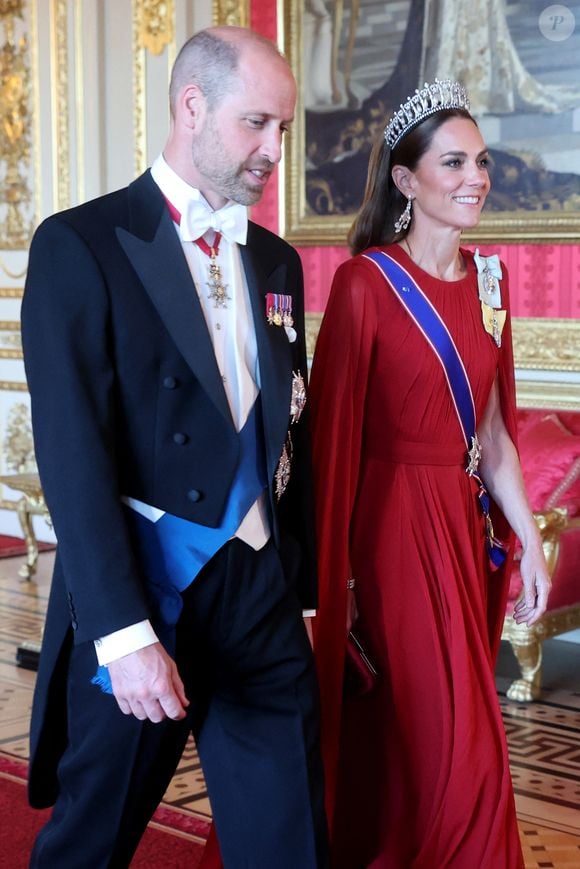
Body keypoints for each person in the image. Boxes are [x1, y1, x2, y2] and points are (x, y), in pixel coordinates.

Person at [22, 26, 328, 869]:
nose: (274, 149)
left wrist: (294, 588)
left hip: (258, 595)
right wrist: (122, 633)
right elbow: (73, 454)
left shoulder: (275, 261)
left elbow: (288, 426)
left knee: (291, 840)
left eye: (284, 131)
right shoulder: (80, 244)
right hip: (148, 591)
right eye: (256, 124)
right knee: (92, 842)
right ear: (191, 106)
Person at [309, 79, 551, 867]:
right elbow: (332, 438)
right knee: (442, 734)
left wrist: (533, 542)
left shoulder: (492, 282)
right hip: (386, 534)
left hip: (457, 520)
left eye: (480, 161)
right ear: (407, 181)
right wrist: (335, 577)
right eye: (454, 163)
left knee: (456, 728)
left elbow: (494, 432)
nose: (476, 177)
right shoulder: (363, 284)